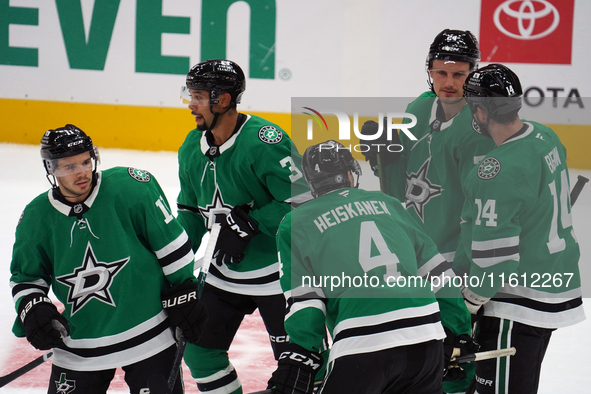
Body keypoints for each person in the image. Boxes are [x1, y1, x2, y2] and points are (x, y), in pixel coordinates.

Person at [9, 124, 208, 394]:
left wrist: (184, 291)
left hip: (150, 336)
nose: (82, 173)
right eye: (69, 167)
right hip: (79, 347)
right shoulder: (36, 217)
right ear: (51, 170)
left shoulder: (131, 188)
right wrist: (33, 308)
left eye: (86, 162)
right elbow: (26, 278)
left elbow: (173, 245)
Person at [273, 140, 479, 394]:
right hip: (424, 333)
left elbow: (306, 303)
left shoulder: (295, 223)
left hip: (362, 337)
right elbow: (439, 275)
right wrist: (457, 331)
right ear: (350, 173)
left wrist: (303, 354)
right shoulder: (390, 204)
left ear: (312, 182)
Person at [361, 29, 494, 393]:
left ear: (473, 73)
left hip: (458, 261)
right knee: (423, 357)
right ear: (429, 71)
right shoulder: (419, 107)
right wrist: (380, 154)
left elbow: (483, 208)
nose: (448, 82)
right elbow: (398, 178)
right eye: (441, 72)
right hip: (419, 254)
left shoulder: (480, 126)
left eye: (459, 74)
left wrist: (469, 275)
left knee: (456, 363)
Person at [176, 59, 313, 393]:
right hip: (222, 275)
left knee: (302, 367)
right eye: (189, 94)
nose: (190, 104)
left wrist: (251, 223)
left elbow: (303, 202)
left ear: (222, 100)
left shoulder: (264, 141)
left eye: (197, 96)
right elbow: (191, 214)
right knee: (200, 354)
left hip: (279, 277)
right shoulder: (191, 149)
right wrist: (171, 264)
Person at [456, 64, 586, 394]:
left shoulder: (495, 173)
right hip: (552, 283)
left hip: (515, 304)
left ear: (481, 111)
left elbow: (495, 262)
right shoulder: (546, 136)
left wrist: (468, 305)